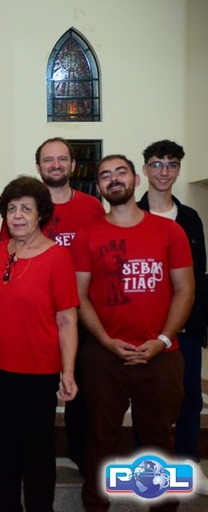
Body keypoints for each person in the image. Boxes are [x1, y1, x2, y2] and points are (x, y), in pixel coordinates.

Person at [71, 155, 194, 511]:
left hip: (161, 355)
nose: (113, 179)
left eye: (120, 172)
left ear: (136, 179)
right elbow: (79, 295)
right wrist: (105, 341)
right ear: (99, 187)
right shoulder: (87, 235)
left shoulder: (170, 231)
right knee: (101, 437)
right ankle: (95, 505)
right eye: (105, 175)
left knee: (159, 438)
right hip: (104, 356)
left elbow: (185, 290)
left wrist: (162, 340)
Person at [0, 176, 79, 511]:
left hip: (37, 371)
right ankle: (7, 505)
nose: (17, 215)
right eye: (12, 208)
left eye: (26, 208)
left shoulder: (57, 257)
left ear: (41, 214)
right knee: (3, 443)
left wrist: (68, 371)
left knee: (37, 448)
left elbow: (67, 320)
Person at [0, 137, 106, 472]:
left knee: (81, 391)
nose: (55, 165)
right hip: (35, 319)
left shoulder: (92, 207)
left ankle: (79, 453)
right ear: (38, 166)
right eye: (48, 160)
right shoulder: (21, 209)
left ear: (73, 164)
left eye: (62, 159)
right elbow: (6, 261)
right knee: (34, 404)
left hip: (79, 313)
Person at [138, 140, 207, 463]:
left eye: (172, 165)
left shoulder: (190, 218)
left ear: (178, 170)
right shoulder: (131, 214)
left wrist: (200, 323)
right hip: (144, 325)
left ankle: (187, 461)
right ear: (145, 170)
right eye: (157, 164)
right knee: (147, 400)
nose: (164, 171)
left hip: (185, 327)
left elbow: (199, 275)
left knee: (189, 396)